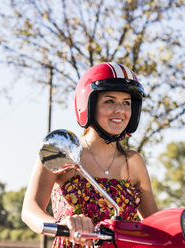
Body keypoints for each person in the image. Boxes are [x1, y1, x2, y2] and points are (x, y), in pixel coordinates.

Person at [22, 62, 158, 248]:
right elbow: (30, 210)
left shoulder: (133, 162)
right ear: (88, 104)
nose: (120, 110)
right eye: (109, 101)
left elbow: (155, 226)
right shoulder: (62, 150)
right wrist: (62, 225)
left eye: (126, 103)